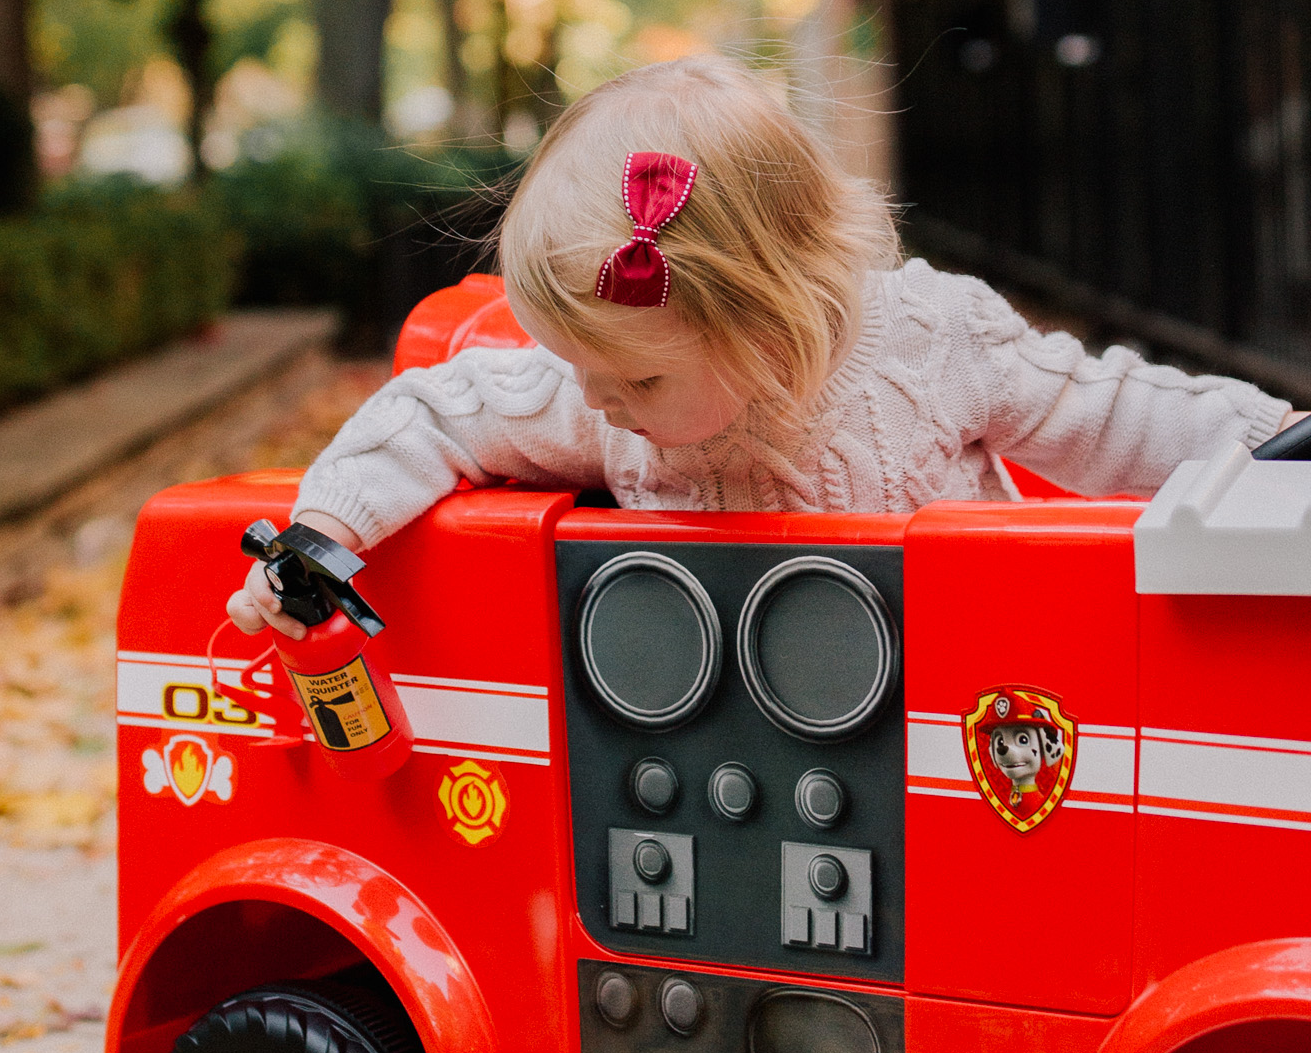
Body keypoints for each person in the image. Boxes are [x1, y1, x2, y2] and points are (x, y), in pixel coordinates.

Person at [228, 55, 1295, 642]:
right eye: (587, 373)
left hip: (966, 722)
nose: (597, 405)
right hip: (734, 748)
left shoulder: (933, 345)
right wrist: (323, 532)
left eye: (636, 378)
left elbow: (1120, 416)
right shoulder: (603, 398)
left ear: (767, 318)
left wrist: (1280, 451)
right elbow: (435, 408)